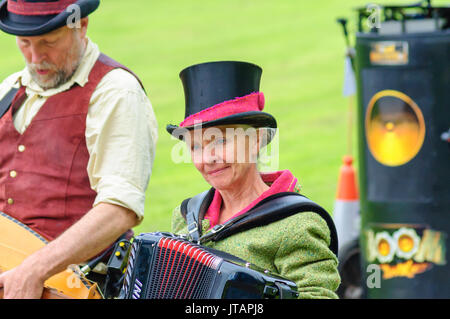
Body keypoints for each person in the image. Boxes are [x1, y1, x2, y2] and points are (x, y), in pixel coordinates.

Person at [0, 0, 157, 298]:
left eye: (48, 42)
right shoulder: (9, 88)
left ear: (81, 25)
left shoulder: (115, 91)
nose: (35, 58)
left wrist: (33, 270)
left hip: (69, 288)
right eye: (25, 43)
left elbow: (119, 209)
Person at [167, 61, 340, 299]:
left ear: (256, 140)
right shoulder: (186, 217)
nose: (208, 158)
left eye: (221, 141)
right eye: (196, 146)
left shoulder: (296, 225)